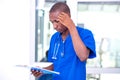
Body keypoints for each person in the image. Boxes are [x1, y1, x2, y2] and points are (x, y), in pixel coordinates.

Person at [31, 2, 96, 80]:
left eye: (57, 21)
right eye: (52, 22)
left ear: (68, 17)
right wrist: (42, 71)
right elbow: (57, 65)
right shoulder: (54, 38)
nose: (54, 26)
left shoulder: (85, 34)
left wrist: (71, 26)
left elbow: (83, 56)